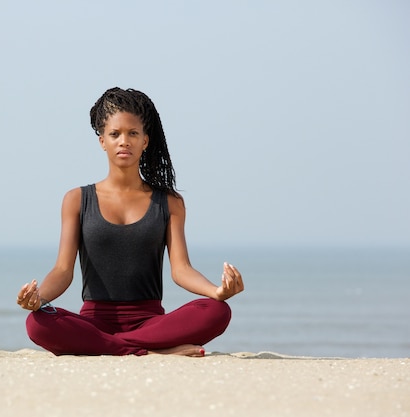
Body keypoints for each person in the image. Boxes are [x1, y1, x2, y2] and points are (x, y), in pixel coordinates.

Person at [16, 87, 244, 357]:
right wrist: (39, 299)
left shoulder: (169, 202)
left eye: (133, 133)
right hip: (93, 322)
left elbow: (181, 269)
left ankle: (117, 347)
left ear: (145, 141)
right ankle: (152, 351)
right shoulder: (77, 199)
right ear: (102, 141)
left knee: (217, 311)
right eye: (115, 134)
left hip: (150, 322)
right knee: (37, 322)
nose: (124, 141)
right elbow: (63, 270)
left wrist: (217, 291)